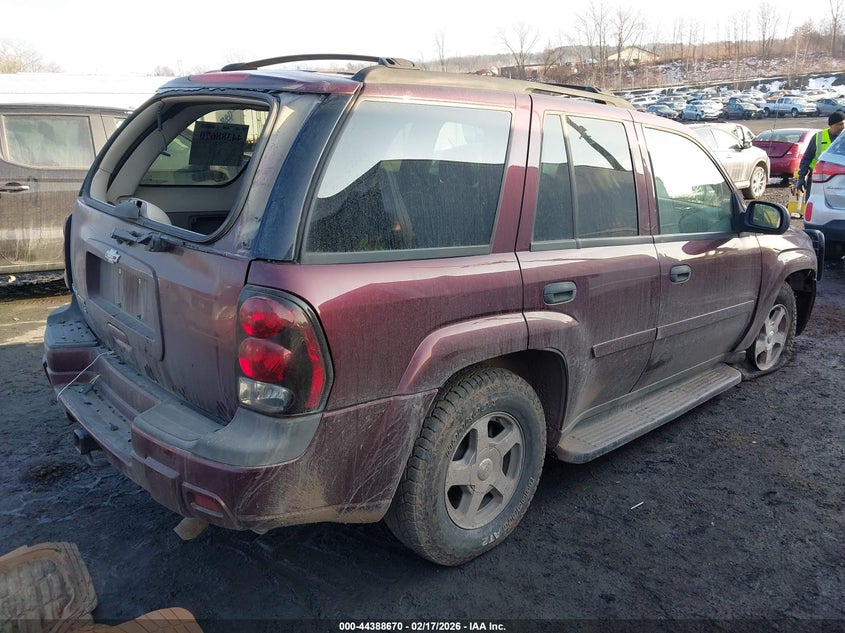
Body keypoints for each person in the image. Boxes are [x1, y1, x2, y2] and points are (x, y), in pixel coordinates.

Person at [796, 110, 845, 196]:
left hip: (840, 178)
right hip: (818, 178)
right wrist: (801, 177)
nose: (843, 126)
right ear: (831, 125)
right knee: (815, 203)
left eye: (844, 123)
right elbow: (807, 158)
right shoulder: (818, 137)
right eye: (840, 124)